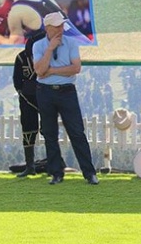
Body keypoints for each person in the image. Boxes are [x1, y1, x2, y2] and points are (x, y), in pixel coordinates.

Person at [32, 12, 98, 186]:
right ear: (47, 28)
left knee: (77, 132)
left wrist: (52, 71)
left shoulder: (71, 43)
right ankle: (56, 173)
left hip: (67, 92)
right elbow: (39, 70)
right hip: (45, 92)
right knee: (50, 133)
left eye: (62, 25)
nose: (61, 29)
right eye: (57, 26)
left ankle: (89, 173)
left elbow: (76, 68)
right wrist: (50, 49)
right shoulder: (38, 46)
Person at [13, 34, 44, 177]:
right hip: (27, 99)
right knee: (28, 129)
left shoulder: (47, 54)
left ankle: (55, 163)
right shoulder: (21, 58)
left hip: (45, 98)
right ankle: (30, 166)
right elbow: (17, 80)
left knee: (48, 130)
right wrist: (23, 92)